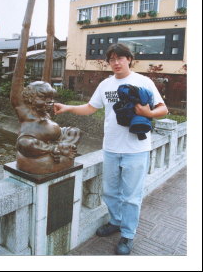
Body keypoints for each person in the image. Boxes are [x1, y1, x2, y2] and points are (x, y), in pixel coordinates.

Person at [54, 43, 168, 255]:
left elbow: (163, 109)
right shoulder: (106, 84)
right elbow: (90, 107)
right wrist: (67, 107)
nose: (116, 63)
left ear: (129, 59)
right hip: (111, 148)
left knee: (132, 196)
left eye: (120, 58)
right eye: (112, 59)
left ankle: (128, 234)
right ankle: (115, 221)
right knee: (110, 192)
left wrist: (147, 113)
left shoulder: (143, 81)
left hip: (136, 148)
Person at [11, 81, 80, 174]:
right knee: (25, 143)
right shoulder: (26, 112)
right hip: (35, 141)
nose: (50, 102)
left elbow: (45, 80)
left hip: (56, 137)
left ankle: (60, 149)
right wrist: (20, 65)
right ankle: (55, 149)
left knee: (74, 132)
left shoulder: (45, 112)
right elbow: (16, 89)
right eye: (43, 98)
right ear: (30, 99)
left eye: (51, 98)